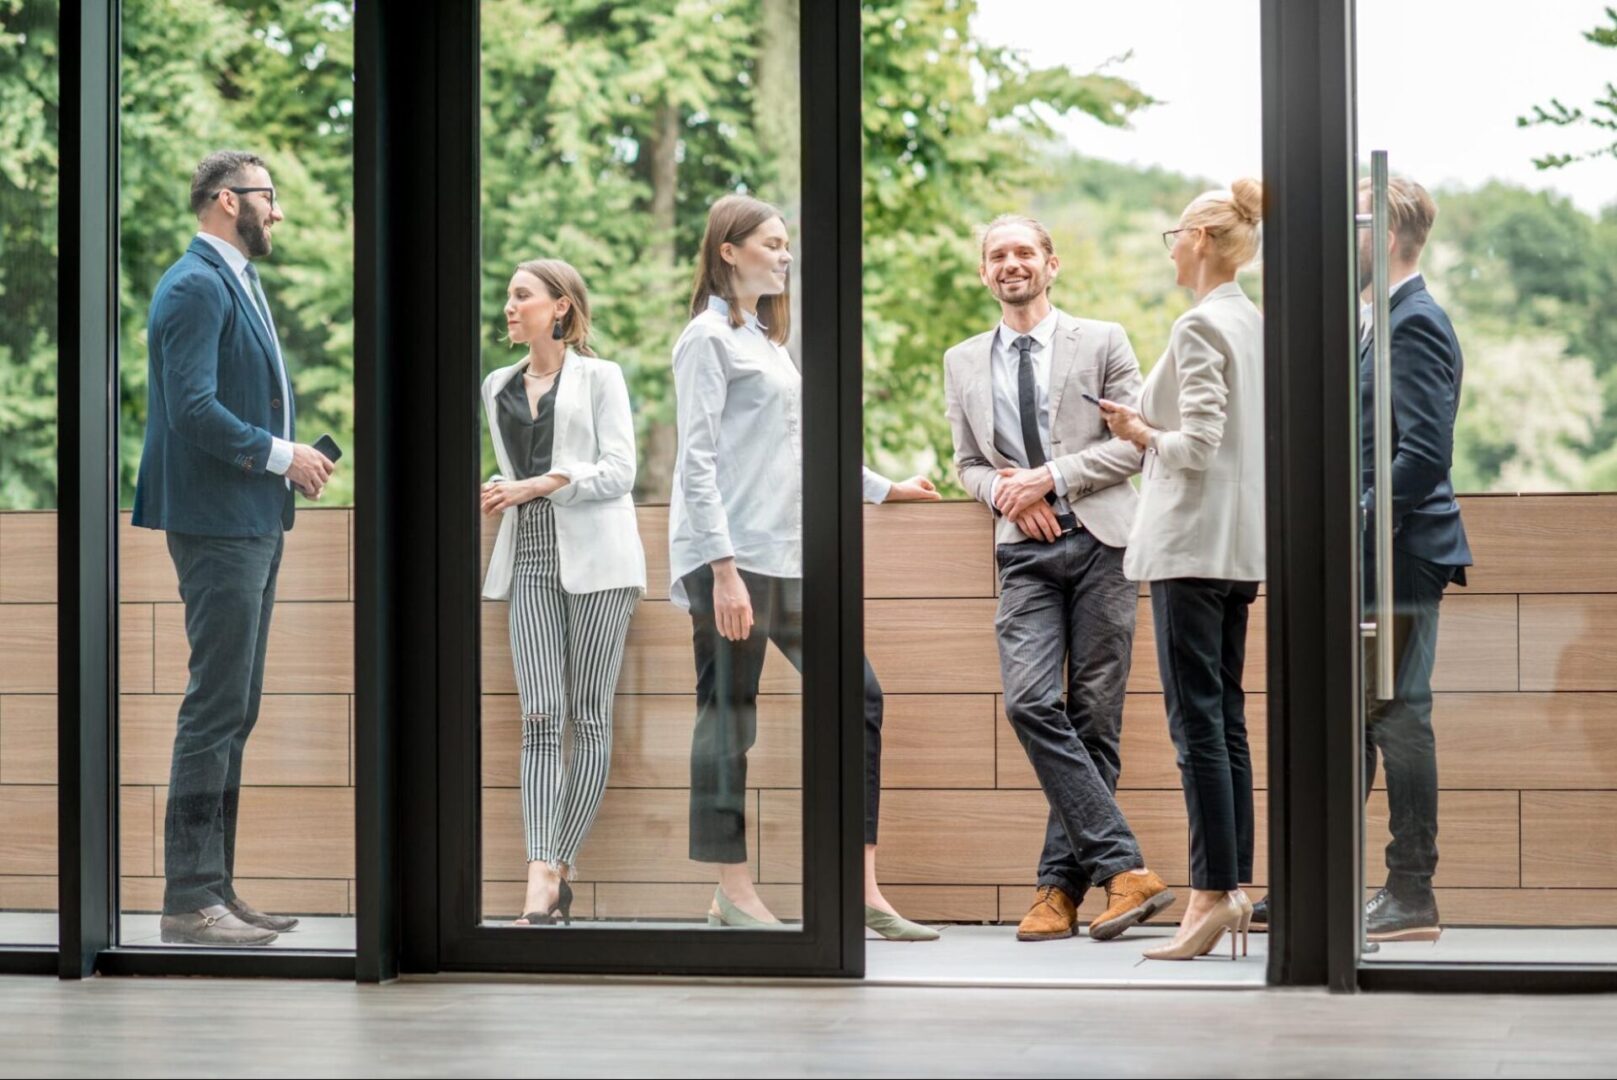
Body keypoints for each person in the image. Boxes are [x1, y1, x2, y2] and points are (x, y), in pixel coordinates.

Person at [670, 194, 936, 940]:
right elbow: (694, 463)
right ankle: (731, 890)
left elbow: (799, 446)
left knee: (860, 696)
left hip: (786, 557)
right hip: (728, 560)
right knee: (729, 722)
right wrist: (722, 572)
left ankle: (860, 888)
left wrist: (884, 489)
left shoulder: (764, 340)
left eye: (787, 245)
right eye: (772, 244)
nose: (785, 256)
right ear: (729, 250)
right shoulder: (706, 340)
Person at [942, 213, 1172, 943]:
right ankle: (1124, 869)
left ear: (1051, 263)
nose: (1010, 264)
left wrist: (1049, 480)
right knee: (1031, 702)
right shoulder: (960, 360)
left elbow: (1133, 446)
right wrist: (1006, 494)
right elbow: (966, 463)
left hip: (1104, 542)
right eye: (996, 255)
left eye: (1023, 252)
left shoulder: (1102, 340)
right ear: (983, 272)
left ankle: (1056, 891)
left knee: (1094, 720)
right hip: (1025, 552)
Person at [133, 150, 336, 946]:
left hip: (250, 519)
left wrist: (283, 461)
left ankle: (214, 888)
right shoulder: (192, 285)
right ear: (227, 201)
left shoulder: (233, 282)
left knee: (234, 708)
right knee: (214, 708)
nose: (276, 211)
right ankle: (189, 899)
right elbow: (191, 411)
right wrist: (285, 454)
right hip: (218, 523)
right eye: (267, 197)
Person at [1100, 179, 1266, 961]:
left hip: (1191, 548)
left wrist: (1139, 431)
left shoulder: (1200, 325)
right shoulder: (1255, 324)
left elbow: (1196, 444)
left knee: (1195, 725)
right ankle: (1230, 888)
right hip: (1236, 550)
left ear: (1200, 239)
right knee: (1223, 720)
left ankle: (1207, 895)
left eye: (1174, 232)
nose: (1168, 244)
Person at [481, 260, 646, 927]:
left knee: (587, 717)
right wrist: (504, 486)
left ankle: (551, 867)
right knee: (539, 718)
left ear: (560, 308)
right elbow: (510, 468)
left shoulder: (600, 377)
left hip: (602, 561)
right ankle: (541, 871)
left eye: (522, 295)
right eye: (509, 296)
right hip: (526, 557)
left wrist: (540, 483)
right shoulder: (495, 385)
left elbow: (620, 472)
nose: (509, 306)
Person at [1353, 176, 1472, 943]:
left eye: (1353, 222)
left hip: (1397, 552)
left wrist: (1354, 520)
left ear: (1387, 235)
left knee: (1396, 715)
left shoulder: (1415, 321)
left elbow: (1422, 455)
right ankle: (1328, 877)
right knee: (1358, 717)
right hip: (1373, 551)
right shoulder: (1378, 319)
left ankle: (1410, 894)